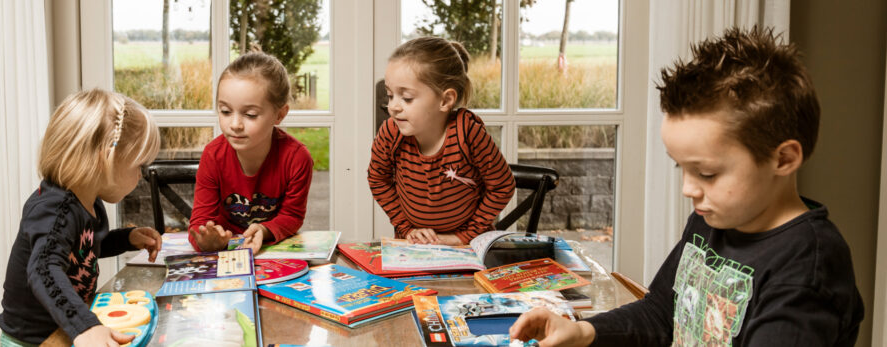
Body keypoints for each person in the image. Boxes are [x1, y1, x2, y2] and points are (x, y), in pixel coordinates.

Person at [509, 27, 864, 346]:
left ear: (783, 159)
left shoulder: (807, 269)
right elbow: (662, 312)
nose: (688, 189)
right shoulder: (713, 218)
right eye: (682, 167)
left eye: (706, 173)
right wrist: (583, 331)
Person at [0, 89, 163, 346]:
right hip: (34, 341)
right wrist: (85, 326)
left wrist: (127, 238)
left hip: (64, 333)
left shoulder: (89, 201)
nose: (140, 175)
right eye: (138, 166)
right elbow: (43, 269)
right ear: (107, 157)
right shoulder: (53, 208)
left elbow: (83, 249)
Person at [368, 36, 515, 246]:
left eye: (406, 98)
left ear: (445, 100)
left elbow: (502, 186)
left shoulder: (467, 132)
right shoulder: (391, 132)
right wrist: (407, 228)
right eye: (390, 95)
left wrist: (464, 236)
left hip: (467, 246)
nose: (393, 107)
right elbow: (377, 179)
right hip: (415, 245)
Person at [188, 52, 314, 254]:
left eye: (250, 114)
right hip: (224, 254)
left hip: (271, 252)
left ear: (279, 115)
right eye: (225, 111)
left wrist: (264, 230)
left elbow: (292, 216)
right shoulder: (212, 156)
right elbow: (199, 222)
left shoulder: (297, 158)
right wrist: (207, 241)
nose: (235, 124)